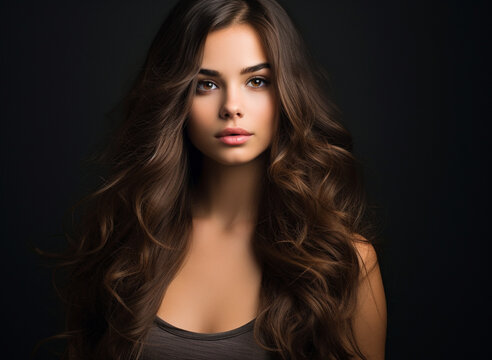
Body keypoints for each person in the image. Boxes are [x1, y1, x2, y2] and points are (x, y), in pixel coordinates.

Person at [42, 0, 387, 359]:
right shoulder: (123, 244)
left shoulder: (345, 263)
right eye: (205, 84)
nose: (231, 106)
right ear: (176, 96)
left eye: (257, 81)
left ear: (287, 92)